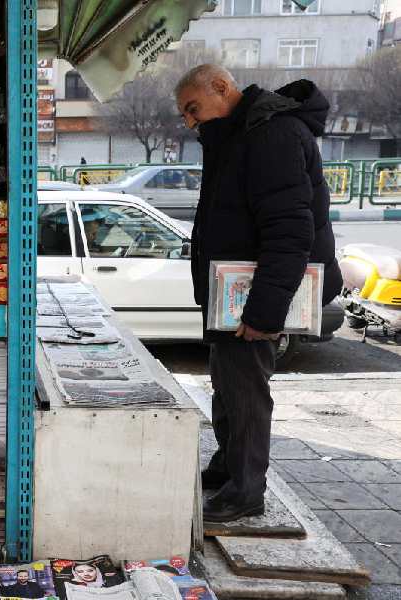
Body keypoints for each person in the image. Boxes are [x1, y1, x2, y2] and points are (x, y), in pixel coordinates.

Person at [173, 65, 341, 522]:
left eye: (193, 109)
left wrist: (264, 312)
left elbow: (290, 231)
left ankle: (246, 491)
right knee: (227, 383)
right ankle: (230, 466)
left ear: (222, 88)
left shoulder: (272, 136)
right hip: (232, 294)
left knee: (246, 389)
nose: (190, 121)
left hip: (255, 297)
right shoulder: (238, 133)